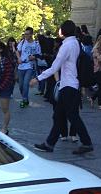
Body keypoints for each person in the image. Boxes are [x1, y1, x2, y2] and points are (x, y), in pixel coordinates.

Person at [32, 20, 94, 155]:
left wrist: (38, 78)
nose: (58, 30)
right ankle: (50, 143)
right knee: (59, 116)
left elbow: (55, 66)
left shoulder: (67, 46)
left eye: (60, 28)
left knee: (71, 116)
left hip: (69, 85)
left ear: (64, 30)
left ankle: (87, 142)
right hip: (71, 84)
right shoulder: (76, 43)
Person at [17, 27, 41, 108]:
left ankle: (24, 100)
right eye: (25, 34)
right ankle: (25, 98)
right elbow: (17, 51)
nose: (25, 36)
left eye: (27, 34)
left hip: (30, 66)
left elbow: (39, 54)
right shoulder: (22, 42)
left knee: (25, 84)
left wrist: (34, 57)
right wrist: (19, 58)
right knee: (20, 85)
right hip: (21, 66)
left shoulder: (36, 44)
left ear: (31, 34)